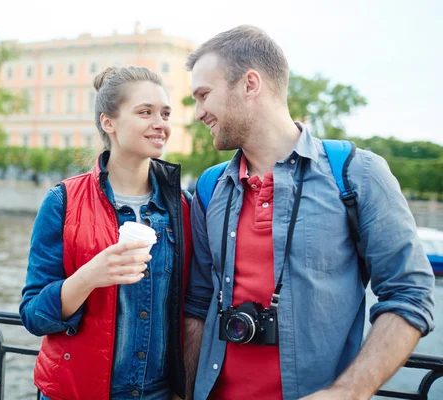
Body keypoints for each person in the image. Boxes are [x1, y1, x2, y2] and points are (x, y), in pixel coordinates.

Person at [182, 25, 435, 400]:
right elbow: (197, 305)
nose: (199, 112)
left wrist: (349, 391)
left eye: (204, 95)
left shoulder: (357, 174)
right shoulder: (208, 186)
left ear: (250, 84)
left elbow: (410, 293)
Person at [20, 66, 192, 400]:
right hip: (77, 392)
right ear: (107, 122)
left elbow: (190, 307)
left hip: (157, 393)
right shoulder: (64, 201)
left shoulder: (182, 206)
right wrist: (89, 277)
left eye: (165, 113)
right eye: (145, 112)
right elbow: (33, 315)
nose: (161, 124)